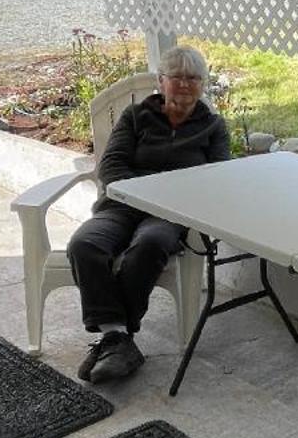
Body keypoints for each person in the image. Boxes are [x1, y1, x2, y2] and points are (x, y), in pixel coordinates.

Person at [67, 45, 230, 384]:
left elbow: (217, 180)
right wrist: (157, 188)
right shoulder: (135, 117)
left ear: (202, 84)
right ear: (161, 81)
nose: (184, 84)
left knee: (151, 245)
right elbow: (111, 167)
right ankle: (118, 338)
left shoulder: (213, 127)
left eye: (193, 78)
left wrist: (163, 196)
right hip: (121, 206)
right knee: (84, 244)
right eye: (177, 77)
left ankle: (114, 341)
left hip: (170, 215)